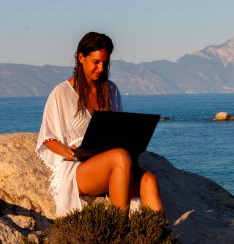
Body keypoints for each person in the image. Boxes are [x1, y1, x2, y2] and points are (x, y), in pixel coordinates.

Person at [36, 32, 163, 216]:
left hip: (113, 163)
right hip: (78, 168)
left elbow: (119, 129)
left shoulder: (111, 90)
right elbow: (47, 138)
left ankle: (160, 235)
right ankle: (121, 228)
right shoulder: (61, 93)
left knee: (149, 180)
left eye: (105, 63)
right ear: (81, 57)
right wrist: (68, 152)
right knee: (120, 156)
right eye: (96, 62)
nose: (101, 68)